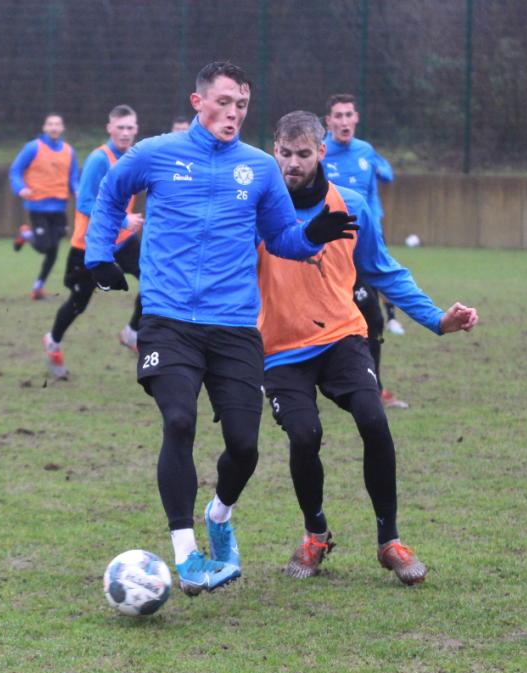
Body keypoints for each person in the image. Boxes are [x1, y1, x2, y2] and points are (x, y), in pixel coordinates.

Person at [85, 62, 358, 596]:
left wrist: (314, 236)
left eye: (242, 106)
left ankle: (220, 514)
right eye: (225, 102)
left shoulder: (258, 168)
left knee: (245, 447)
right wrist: (100, 254)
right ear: (198, 101)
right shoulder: (155, 153)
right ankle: (187, 557)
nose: (234, 113)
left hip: (234, 326)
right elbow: (111, 195)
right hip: (168, 320)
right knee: (180, 420)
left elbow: (282, 239)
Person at [259, 110, 478, 584]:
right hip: (279, 348)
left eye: (303, 153)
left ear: (321, 152)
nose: (293, 163)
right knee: (304, 436)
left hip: (341, 336)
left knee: (374, 419)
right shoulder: (255, 208)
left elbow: (383, 271)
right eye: (285, 153)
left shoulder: (350, 206)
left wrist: (438, 320)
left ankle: (390, 541)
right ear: (273, 150)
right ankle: (316, 534)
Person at [42, 105, 145, 380]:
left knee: (156, 282)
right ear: (109, 128)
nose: (125, 133)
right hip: (91, 245)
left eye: (130, 127)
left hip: (124, 244)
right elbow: (85, 201)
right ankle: (53, 340)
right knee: (79, 302)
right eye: (120, 127)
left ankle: (131, 333)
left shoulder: (135, 157)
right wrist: (123, 220)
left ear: (136, 130)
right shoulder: (99, 159)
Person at [323, 94, 408, 408]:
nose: (344, 121)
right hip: (328, 254)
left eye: (348, 115)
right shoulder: (317, 154)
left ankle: (374, 388)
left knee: (372, 319)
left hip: (363, 251)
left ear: (356, 118)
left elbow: (375, 193)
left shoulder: (365, 152)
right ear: (328, 121)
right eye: (338, 116)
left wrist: (377, 230)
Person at [9, 113, 80, 300]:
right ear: (44, 128)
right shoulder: (33, 147)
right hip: (38, 206)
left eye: (58, 124)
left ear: (63, 128)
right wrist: (20, 188)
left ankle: (38, 287)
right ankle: (25, 234)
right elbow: (15, 170)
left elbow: (73, 177)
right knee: (42, 246)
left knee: (54, 249)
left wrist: (78, 191)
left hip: (59, 207)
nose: (54, 127)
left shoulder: (68, 151)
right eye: (51, 124)